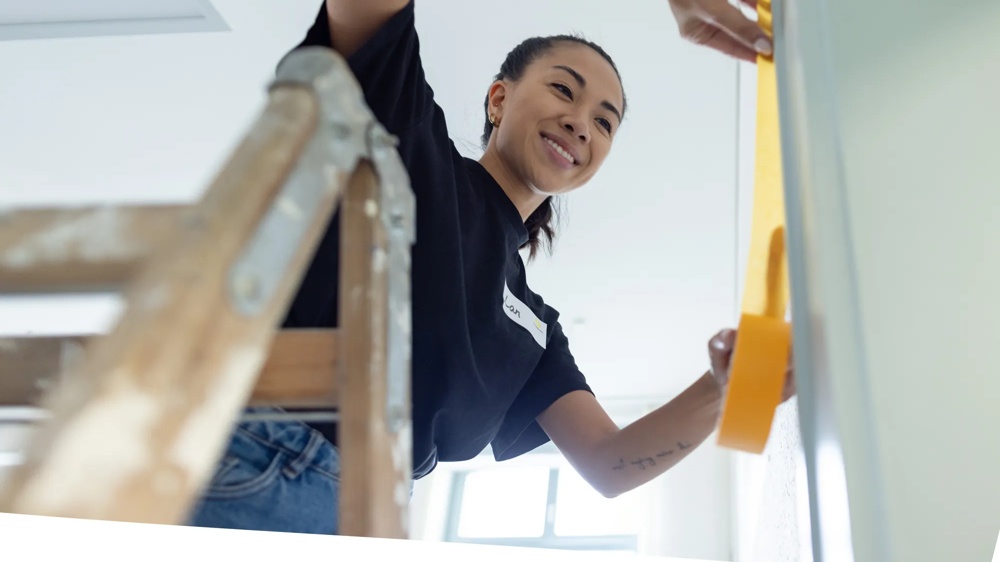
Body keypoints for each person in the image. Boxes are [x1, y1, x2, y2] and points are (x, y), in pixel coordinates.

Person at [186, 0, 794, 535]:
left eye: (604, 122)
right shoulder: (409, 142)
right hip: (261, 459)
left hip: (372, 519)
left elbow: (610, 464)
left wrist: (731, 387)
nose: (582, 123)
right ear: (499, 98)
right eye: (564, 90)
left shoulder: (533, 327)